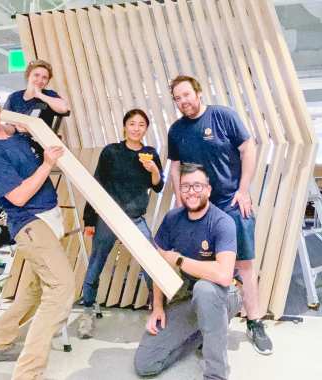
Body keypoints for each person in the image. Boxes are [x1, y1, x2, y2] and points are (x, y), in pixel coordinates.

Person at [0, 92, 74, 380]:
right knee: (61, 289)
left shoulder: (18, 139)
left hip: (49, 219)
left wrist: (31, 135)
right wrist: (48, 164)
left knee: (37, 291)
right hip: (30, 223)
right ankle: (28, 374)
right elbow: (19, 196)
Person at [167, 76, 272, 355]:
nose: (183, 102)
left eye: (186, 95)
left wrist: (245, 189)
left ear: (198, 93)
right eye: (177, 98)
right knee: (204, 266)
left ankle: (255, 321)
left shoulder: (223, 116)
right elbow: (175, 167)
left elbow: (248, 148)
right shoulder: (176, 130)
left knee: (244, 264)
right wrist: (180, 198)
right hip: (198, 207)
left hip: (230, 202)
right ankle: (211, 323)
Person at [133, 163, 242, 380]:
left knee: (205, 289)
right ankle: (202, 333)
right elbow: (158, 265)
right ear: (180, 191)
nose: (191, 191)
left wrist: (180, 260)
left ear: (208, 190)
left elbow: (223, 275)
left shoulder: (222, 222)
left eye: (197, 186)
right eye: (185, 186)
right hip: (188, 296)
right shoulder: (173, 219)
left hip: (225, 293)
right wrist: (157, 307)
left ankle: (216, 373)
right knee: (145, 364)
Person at [78, 109, 164, 339]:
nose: (137, 128)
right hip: (108, 218)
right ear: (124, 126)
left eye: (142, 124)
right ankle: (87, 310)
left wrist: (154, 169)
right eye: (132, 124)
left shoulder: (150, 153)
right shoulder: (111, 152)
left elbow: (157, 186)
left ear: (146, 128)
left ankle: (155, 309)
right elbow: (96, 183)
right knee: (96, 262)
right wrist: (89, 218)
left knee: (152, 264)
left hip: (136, 218)